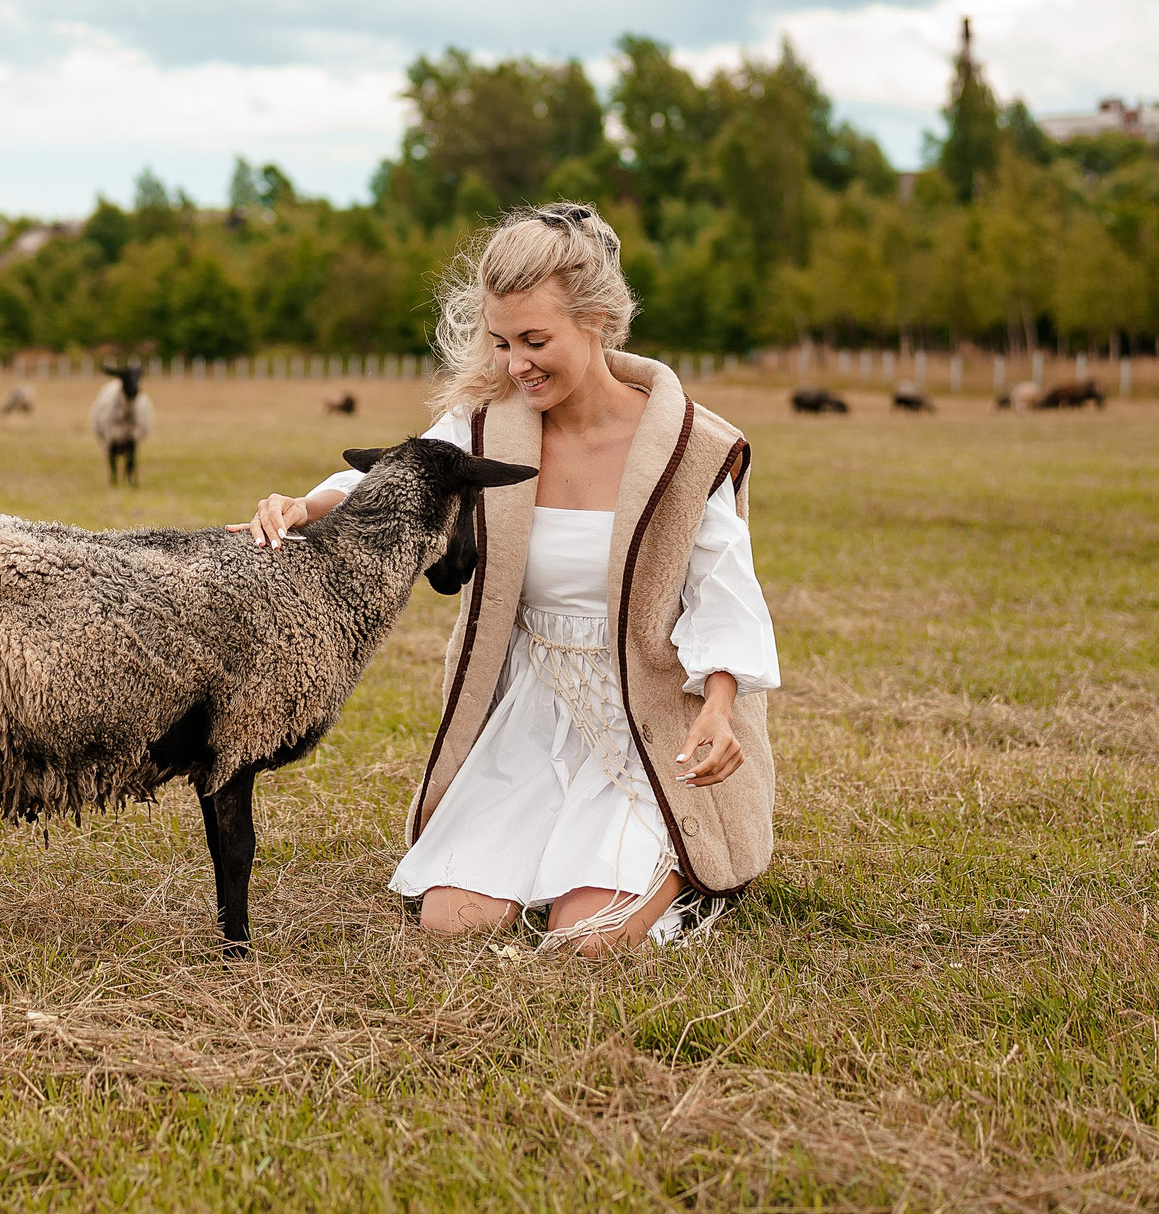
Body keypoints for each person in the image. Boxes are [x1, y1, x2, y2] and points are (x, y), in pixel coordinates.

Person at [244, 203, 778, 952]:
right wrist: (306, 505)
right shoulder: (488, 422)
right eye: (500, 342)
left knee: (590, 938)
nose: (514, 363)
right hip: (529, 712)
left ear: (595, 321)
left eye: (534, 340)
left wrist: (718, 707)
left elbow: (726, 598)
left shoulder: (692, 447)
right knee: (452, 920)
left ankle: (684, 874)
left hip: (649, 725)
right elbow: (400, 478)